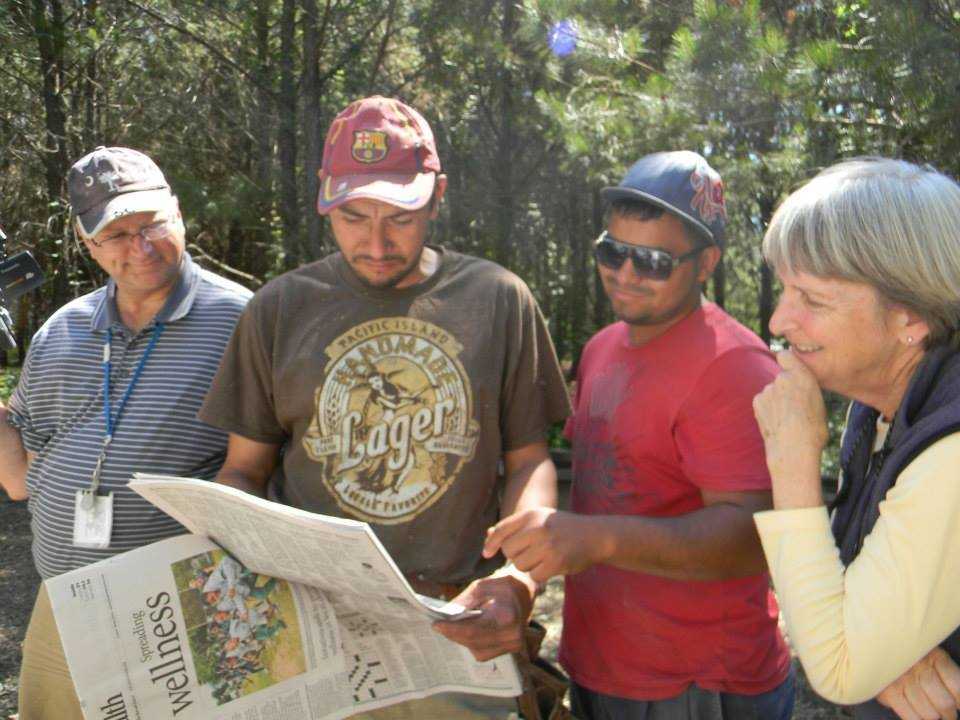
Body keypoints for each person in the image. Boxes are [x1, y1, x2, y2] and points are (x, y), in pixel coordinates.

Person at [198, 95, 571, 719]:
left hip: (457, 620)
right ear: (325, 199)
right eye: (352, 217)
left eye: (400, 216)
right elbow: (244, 472)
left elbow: (529, 460)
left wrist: (520, 580)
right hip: (315, 626)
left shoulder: (497, 300)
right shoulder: (279, 308)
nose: (375, 243)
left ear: (437, 195)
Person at [485, 151, 796, 719]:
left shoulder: (735, 367)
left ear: (706, 264)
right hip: (605, 663)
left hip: (698, 684)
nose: (625, 273)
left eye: (653, 261)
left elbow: (755, 538)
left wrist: (597, 539)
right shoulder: (603, 347)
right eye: (613, 251)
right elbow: (606, 482)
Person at [0, 146, 252, 720]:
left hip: (186, 612)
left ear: (179, 213)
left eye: (152, 224)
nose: (140, 247)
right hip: (65, 605)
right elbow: (20, 479)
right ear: (87, 242)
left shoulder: (243, 322)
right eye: (116, 234)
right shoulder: (61, 333)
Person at [752, 157, 960, 720]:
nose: (776, 322)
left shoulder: (951, 453)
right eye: (785, 290)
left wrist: (793, 462)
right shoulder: (882, 408)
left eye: (812, 300)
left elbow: (838, 668)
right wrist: (891, 649)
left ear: (910, 317)